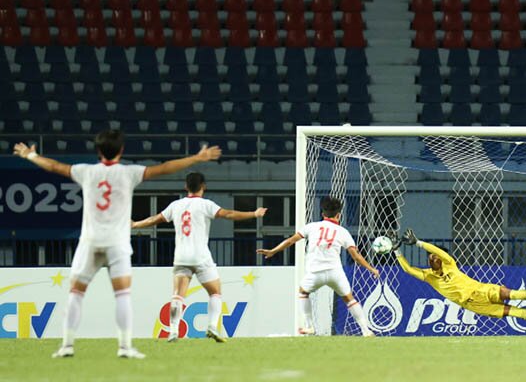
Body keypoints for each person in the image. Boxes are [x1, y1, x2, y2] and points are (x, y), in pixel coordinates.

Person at [13, 130, 222, 359]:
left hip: (90, 242)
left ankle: (67, 345)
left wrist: (30, 155)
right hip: (117, 243)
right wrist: (196, 158)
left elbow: (54, 166)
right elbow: (164, 168)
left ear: (98, 150)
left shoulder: (86, 171)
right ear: (121, 150)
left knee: (76, 293)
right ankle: (124, 347)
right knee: (122, 294)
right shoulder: (129, 173)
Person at [131, 172, 267, 343]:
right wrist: (253, 214)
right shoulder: (205, 205)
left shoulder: (176, 205)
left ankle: (173, 331)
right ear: (203, 186)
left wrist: (135, 224)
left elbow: (155, 219)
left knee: (177, 295)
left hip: (181, 257)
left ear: (186, 187)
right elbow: (229, 214)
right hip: (201, 256)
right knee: (215, 292)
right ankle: (212, 326)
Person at [257, 197, 378, 336]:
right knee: (349, 299)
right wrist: (371, 269)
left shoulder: (311, 227)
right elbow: (356, 256)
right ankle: (365, 330)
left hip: (315, 273)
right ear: (338, 215)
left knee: (303, 292)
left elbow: (290, 241)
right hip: (335, 273)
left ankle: (309, 326)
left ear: (322, 214)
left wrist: (273, 251)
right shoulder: (343, 232)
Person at [392, 229, 526, 326]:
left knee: (514, 294)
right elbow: (408, 269)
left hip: (482, 289)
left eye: (435, 256)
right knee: (516, 313)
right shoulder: (429, 276)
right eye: (431, 257)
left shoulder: (449, 263)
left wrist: (418, 243)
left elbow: (438, 251)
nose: (433, 258)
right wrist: (397, 250)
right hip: (474, 305)